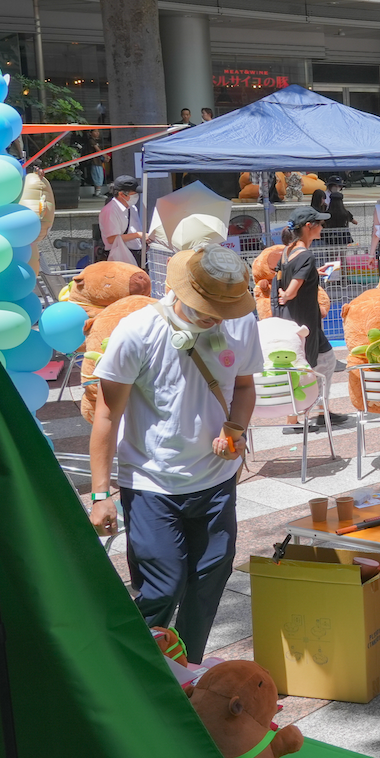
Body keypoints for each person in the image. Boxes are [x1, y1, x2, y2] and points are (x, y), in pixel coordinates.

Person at [88, 246, 260, 663]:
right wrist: (100, 494)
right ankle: (141, 671)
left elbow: (243, 387)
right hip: (151, 482)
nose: (218, 318)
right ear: (180, 291)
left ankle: (187, 668)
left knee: (208, 581)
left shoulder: (241, 323)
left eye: (224, 310)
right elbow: (107, 415)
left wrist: (234, 429)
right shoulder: (137, 330)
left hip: (217, 480)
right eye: (208, 309)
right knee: (162, 586)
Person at [272, 208, 347, 427]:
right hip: (306, 322)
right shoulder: (305, 255)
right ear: (308, 227)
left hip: (292, 319)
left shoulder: (288, 251)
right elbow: (291, 290)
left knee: (315, 362)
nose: (322, 227)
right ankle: (307, 414)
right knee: (317, 363)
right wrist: (286, 295)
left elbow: (288, 276)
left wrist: (315, 272)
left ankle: (307, 414)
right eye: (319, 224)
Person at [98, 175, 145, 266]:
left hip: (136, 252)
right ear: (122, 194)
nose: (136, 196)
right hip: (120, 256)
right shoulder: (110, 211)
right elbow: (111, 239)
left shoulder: (132, 208)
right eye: (134, 193)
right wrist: (137, 235)